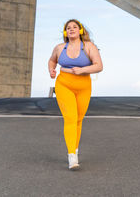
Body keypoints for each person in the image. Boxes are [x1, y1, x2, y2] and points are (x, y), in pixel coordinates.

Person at [48, 19, 103, 170]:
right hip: (64, 84)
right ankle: (72, 156)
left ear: (80, 30)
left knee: (79, 119)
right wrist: (51, 69)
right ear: (65, 32)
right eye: (68, 27)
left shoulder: (89, 47)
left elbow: (99, 66)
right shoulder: (60, 48)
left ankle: (75, 148)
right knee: (70, 118)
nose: (71, 29)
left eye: (74, 27)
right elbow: (52, 60)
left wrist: (82, 70)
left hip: (84, 86)